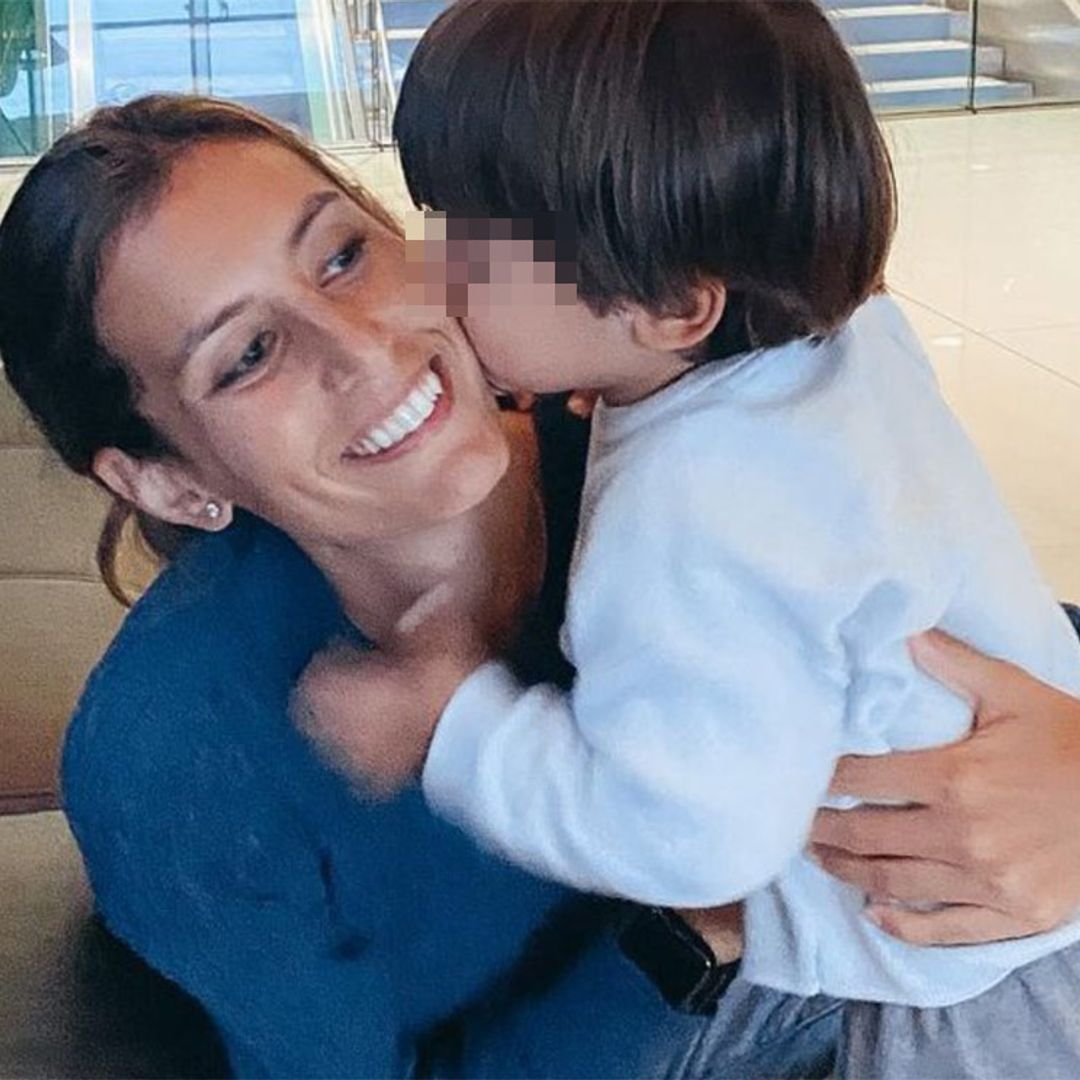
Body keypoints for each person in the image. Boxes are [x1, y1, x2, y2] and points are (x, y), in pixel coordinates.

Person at [3, 94, 1080, 1080]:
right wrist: (697, 922)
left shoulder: (665, 438)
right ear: (167, 478)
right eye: (246, 357)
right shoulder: (183, 756)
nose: (364, 350)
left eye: (341, 257)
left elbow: (946, 602)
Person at [295, 3, 1080, 1077]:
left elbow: (691, 838)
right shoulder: (836, 339)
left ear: (675, 306)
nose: (437, 275)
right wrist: (611, 377)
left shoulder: (687, 523)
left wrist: (457, 729)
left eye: (478, 242)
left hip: (965, 968)